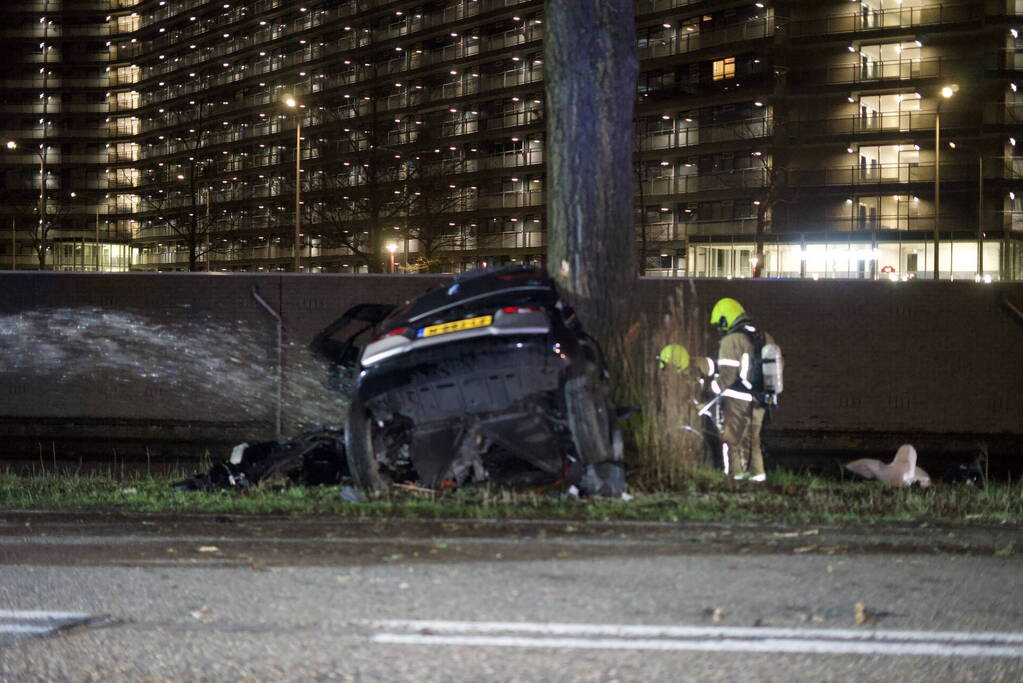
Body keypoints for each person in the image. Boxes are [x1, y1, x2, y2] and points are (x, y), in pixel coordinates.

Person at [708, 297, 775, 482]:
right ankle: (757, 476)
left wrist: (711, 389)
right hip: (761, 399)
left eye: (719, 325)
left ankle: (734, 478)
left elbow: (727, 376)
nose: (719, 330)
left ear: (725, 319)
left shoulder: (731, 340)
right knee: (753, 439)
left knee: (732, 440)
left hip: (737, 399)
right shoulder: (764, 336)